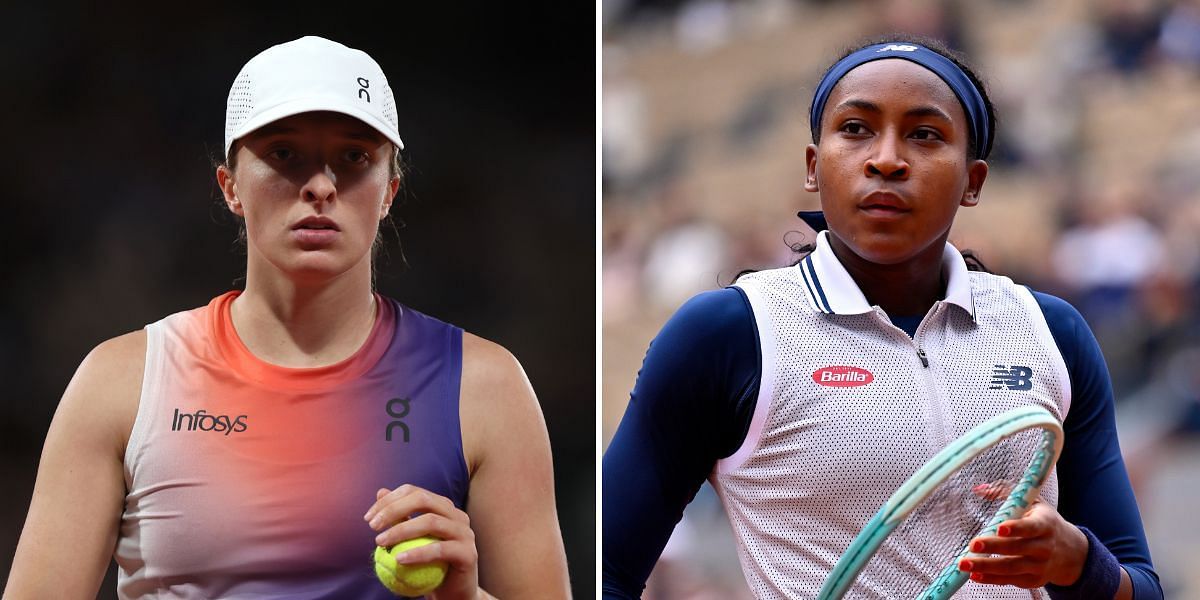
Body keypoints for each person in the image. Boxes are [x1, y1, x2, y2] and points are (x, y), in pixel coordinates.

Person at [6, 36, 570, 599]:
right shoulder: (122, 381)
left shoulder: (486, 389)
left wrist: (467, 598)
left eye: (354, 157)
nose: (320, 184)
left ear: (390, 190)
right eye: (283, 153)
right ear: (230, 187)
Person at [602, 36, 1162, 599]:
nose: (887, 159)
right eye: (855, 129)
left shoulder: (1052, 333)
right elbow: (605, 572)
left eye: (924, 134)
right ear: (814, 167)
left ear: (974, 181)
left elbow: (1141, 588)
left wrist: (1076, 562)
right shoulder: (728, 335)